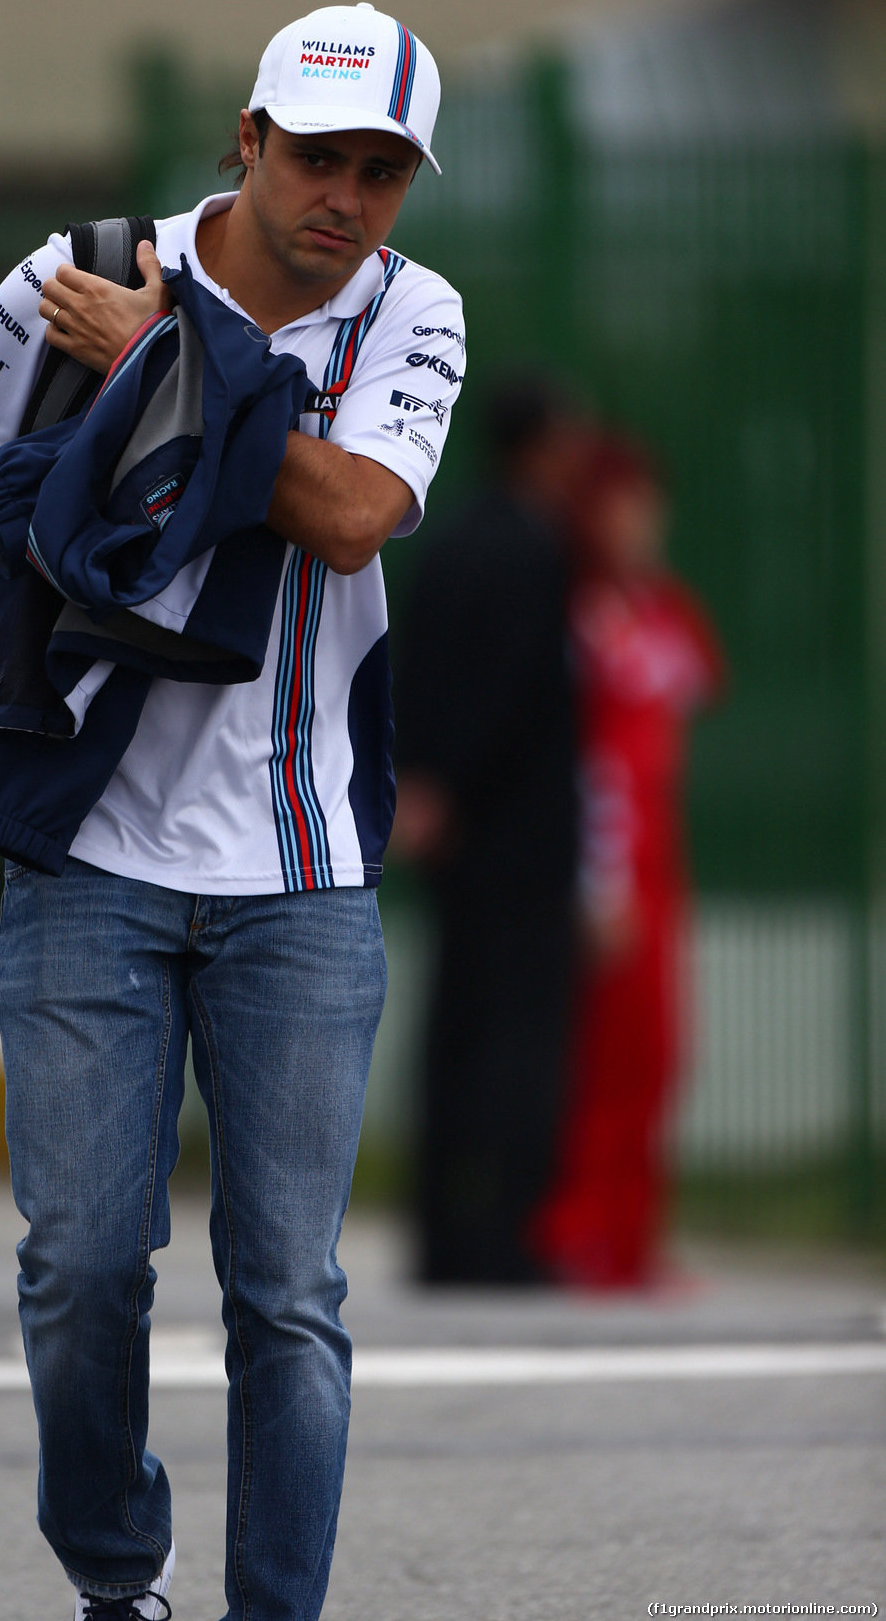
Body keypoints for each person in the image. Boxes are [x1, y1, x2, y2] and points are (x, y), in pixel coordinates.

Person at [0, 3, 465, 1621]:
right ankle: (120, 1570)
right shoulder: (85, 271)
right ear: (246, 144)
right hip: (89, 856)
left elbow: (351, 517)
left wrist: (181, 361)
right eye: (317, 155)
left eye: (383, 170)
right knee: (82, 1272)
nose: (346, 196)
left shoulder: (413, 314)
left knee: (291, 1298)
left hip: (304, 877)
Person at [393, 374, 585, 1284]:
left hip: (453, 837)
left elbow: (417, 666)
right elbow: (512, 693)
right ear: (540, 447)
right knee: (517, 1045)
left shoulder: (450, 538)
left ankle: (442, 1232)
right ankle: (504, 1234)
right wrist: (456, 782)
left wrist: (424, 785)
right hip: (519, 835)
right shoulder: (537, 550)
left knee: (453, 1035)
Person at [530, 433, 724, 1289]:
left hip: (663, 857)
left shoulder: (658, 607)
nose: (645, 521)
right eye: (626, 504)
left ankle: (638, 1237)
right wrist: (599, 883)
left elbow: (700, 679)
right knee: (603, 1055)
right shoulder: (582, 615)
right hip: (616, 861)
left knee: (659, 1050)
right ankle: (585, 1233)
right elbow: (594, 764)